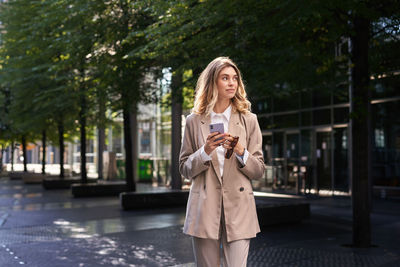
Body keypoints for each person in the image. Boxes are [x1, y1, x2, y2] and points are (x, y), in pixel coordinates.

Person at [179, 57, 265, 267]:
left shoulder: (249, 120)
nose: (231, 83)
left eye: (235, 78)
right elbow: (184, 168)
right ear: (212, 83)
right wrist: (205, 151)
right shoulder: (193, 120)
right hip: (204, 208)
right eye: (225, 78)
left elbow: (259, 170)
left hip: (239, 206)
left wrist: (240, 151)